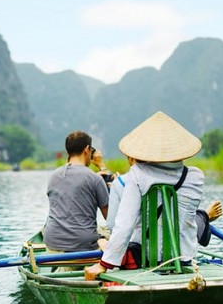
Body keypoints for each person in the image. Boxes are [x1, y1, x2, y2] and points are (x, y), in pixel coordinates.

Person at [85, 111, 214, 280]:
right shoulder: (196, 177)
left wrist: (103, 264)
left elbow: (124, 225)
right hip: (185, 259)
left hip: (147, 261)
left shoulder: (137, 175)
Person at [43, 131, 110, 252]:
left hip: (52, 242)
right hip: (84, 245)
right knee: (108, 232)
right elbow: (110, 218)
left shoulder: (54, 176)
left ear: (67, 152)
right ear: (87, 149)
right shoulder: (95, 179)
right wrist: (101, 165)